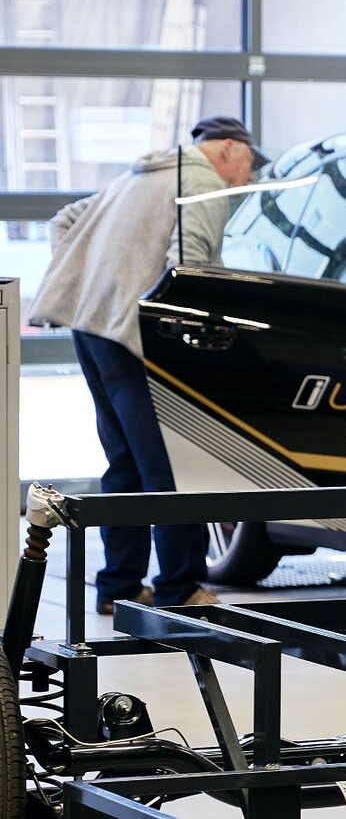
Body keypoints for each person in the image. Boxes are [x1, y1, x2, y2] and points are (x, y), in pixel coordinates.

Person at [29, 116, 265, 614]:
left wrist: (92, 278)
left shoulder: (141, 174)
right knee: (171, 467)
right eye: (247, 164)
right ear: (227, 149)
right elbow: (192, 263)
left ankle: (119, 586)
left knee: (126, 464)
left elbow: (65, 219)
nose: (248, 178)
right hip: (136, 337)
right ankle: (181, 589)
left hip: (92, 326)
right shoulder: (200, 181)